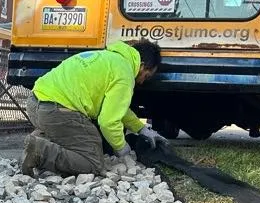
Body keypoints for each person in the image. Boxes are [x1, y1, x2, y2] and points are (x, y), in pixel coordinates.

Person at [21, 40, 166, 177]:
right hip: (57, 111)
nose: (142, 82)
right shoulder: (124, 73)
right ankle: (40, 150)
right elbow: (108, 122)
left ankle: (39, 138)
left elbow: (117, 108)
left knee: (79, 138)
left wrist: (141, 128)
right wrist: (123, 150)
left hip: (35, 104)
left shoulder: (108, 58)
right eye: (146, 76)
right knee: (93, 162)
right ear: (141, 65)